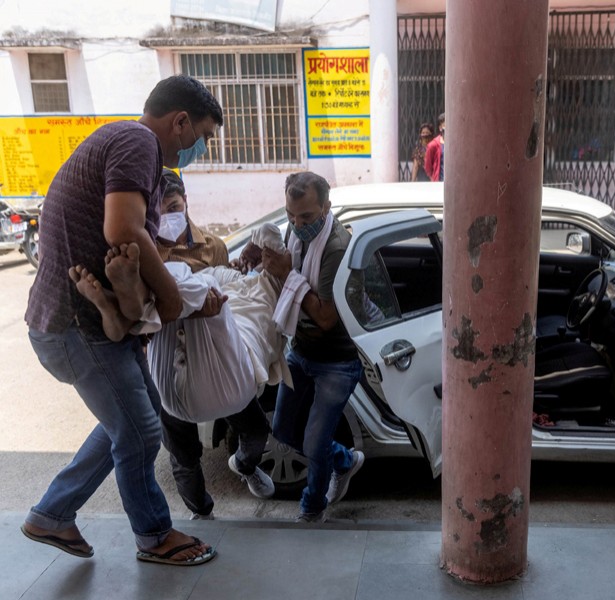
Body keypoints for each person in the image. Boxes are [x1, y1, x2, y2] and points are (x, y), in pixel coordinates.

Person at [22, 75, 223, 566]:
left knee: (133, 419)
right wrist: (172, 298)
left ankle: (52, 514)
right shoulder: (138, 141)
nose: (201, 148)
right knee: (139, 432)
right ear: (180, 122)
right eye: (203, 136)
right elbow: (123, 228)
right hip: (75, 326)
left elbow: (129, 241)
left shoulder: (129, 145)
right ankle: (154, 536)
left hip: (78, 322)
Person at [154, 170, 276, 519]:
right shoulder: (147, 253)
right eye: (158, 211)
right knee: (183, 454)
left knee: (255, 430)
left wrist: (237, 274)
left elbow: (230, 298)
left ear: (186, 201)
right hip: (170, 365)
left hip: (218, 360)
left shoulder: (213, 246)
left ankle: (246, 466)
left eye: (173, 207)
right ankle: (201, 513)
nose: (167, 218)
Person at [266, 172, 365, 523]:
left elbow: (325, 316)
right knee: (283, 430)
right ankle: (345, 459)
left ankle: (312, 508)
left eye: (306, 217)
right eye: (291, 216)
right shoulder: (296, 231)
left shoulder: (336, 247)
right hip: (301, 350)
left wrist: (286, 275)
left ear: (326, 206)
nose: (297, 224)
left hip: (336, 362)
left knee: (313, 442)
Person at [424, 113, 445, 182]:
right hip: (440, 182)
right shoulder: (433, 145)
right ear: (440, 128)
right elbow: (428, 167)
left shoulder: (456, 144)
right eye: (444, 125)